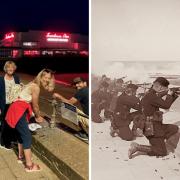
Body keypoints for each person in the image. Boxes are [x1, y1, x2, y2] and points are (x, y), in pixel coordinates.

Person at [5, 69, 55, 172]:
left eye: (49, 78)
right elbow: (35, 105)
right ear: (40, 76)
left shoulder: (32, 83)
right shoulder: (36, 87)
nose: (47, 80)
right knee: (27, 136)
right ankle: (29, 166)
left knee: (20, 134)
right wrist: (38, 116)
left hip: (16, 108)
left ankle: (20, 157)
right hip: (19, 110)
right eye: (45, 77)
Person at [128, 77, 179, 159]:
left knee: (174, 128)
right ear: (160, 87)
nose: (165, 90)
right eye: (165, 88)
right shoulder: (152, 96)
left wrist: (174, 95)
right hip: (152, 129)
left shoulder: (149, 94)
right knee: (162, 151)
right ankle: (137, 147)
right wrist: (169, 94)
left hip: (152, 125)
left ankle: (158, 141)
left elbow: (162, 102)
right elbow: (166, 105)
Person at [0, 61, 20, 149]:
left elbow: (18, 90)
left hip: (14, 104)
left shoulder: (16, 78)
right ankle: (4, 143)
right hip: (4, 105)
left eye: (12, 67)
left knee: (13, 123)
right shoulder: (1, 79)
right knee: (5, 124)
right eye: (8, 67)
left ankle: (12, 139)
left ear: (14, 68)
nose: (10, 69)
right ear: (5, 68)